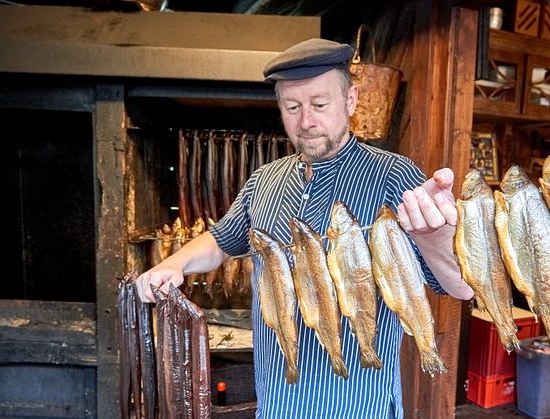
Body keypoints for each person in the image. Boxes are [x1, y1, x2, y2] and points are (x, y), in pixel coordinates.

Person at [136, 37, 473, 418]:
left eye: (319, 104)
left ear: (350, 100)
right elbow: (223, 240)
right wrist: (174, 264)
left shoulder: (394, 175)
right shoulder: (265, 179)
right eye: (292, 107)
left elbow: (457, 286)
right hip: (277, 401)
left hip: (357, 405)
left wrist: (436, 235)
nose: (306, 121)